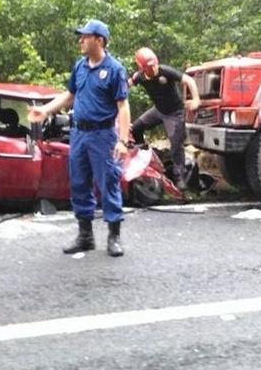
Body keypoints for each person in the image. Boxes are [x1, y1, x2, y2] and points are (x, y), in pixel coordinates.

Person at [28, 19, 130, 257]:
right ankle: (85, 236)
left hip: (103, 135)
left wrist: (123, 141)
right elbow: (69, 95)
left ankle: (113, 236)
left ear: (99, 40)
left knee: (108, 182)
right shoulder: (80, 67)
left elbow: (123, 107)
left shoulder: (115, 69)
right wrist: (45, 110)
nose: (80, 40)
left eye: (85, 36)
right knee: (79, 183)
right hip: (79, 134)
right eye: (81, 36)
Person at [128, 47, 200, 190]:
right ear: (142, 68)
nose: (154, 68)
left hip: (175, 113)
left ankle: (179, 177)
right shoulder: (139, 76)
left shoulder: (165, 71)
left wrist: (196, 100)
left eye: (155, 64)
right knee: (135, 129)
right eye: (149, 67)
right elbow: (125, 87)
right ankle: (145, 156)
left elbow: (189, 80)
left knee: (176, 144)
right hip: (158, 110)